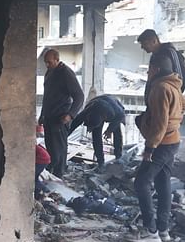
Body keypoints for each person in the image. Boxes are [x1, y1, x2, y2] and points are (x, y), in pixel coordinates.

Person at [132, 55, 185, 242]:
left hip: (162, 143)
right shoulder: (173, 84)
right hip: (173, 141)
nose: (147, 73)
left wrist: (150, 148)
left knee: (141, 182)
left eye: (148, 69)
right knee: (163, 182)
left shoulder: (160, 87)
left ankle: (151, 230)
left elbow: (160, 123)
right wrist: (176, 119)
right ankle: (163, 230)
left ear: (155, 70)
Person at [38, 48, 84, 178]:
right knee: (50, 147)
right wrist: (42, 115)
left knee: (59, 148)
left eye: (49, 62)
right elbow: (47, 96)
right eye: (45, 62)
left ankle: (59, 175)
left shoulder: (66, 73)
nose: (47, 65)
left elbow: (79, 96)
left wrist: (70, 115)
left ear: (57, 60)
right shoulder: (50, 72)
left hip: (60, 117)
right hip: (49, 117)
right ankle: (51, 173)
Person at [69, 94, 126, 169]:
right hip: (97, 106)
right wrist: (64, 135)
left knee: (117, 131)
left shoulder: (113, 112)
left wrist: (109, 130)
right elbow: (74, 124)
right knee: (96, 137)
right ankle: (100, 162)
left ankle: (118, 156)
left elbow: (121, 115)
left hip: (114, 106)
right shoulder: (85, 113)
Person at [137, 29, 185, 95]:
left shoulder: (170, 53)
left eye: (145, 44)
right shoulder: (154, 56)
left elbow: (181, 77)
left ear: (154, 41)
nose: (142, 47)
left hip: (169, 98)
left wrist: (174, 95)